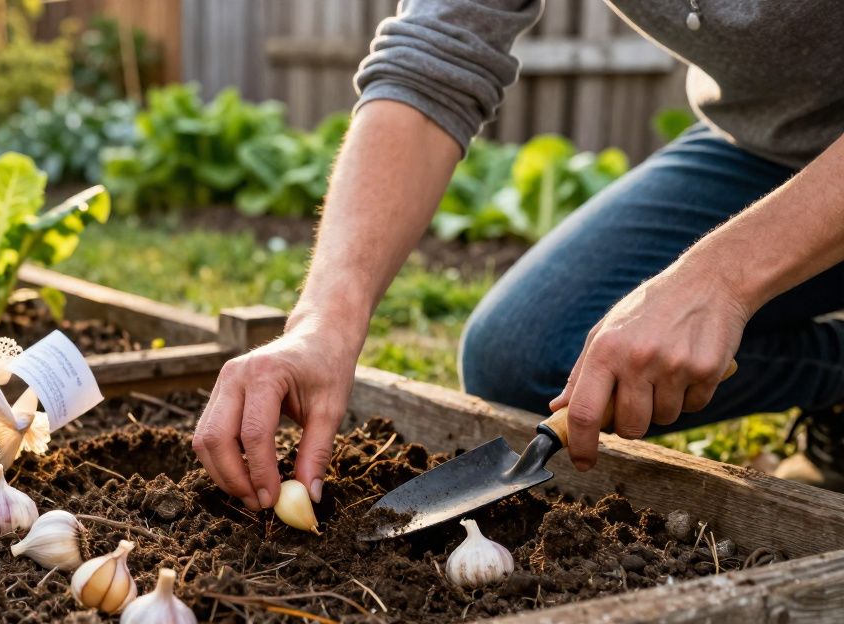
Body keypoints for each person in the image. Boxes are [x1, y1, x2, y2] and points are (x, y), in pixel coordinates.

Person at [193, 0, 844, 511]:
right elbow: (431, 62)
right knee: (527, 356)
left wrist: (721, 278)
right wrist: (324, 323)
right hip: (765, 152)